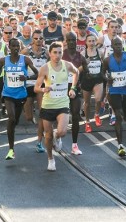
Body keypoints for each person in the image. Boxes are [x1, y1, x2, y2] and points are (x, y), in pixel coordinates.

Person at [34, 42, 80, 171]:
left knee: (62, 131)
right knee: (47, 136)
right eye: (55, 52)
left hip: (62, 103)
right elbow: (36, 87)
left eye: (60, 52)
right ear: (50, 53)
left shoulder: (67, 65)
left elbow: (77, 73)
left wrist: (73, 88)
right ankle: (50, 159)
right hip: (48, 105)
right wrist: (43, 89)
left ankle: (57, 136)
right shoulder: (45, 68)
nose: (58, 55)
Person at [0, 38, 37, 160]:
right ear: (9, 47)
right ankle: (11, 149)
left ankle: (12, 128)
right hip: (8, 94)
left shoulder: (25, 59)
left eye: (17, 46)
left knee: (15, 121)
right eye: (13, 46)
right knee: (11, 118)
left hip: (21, 95)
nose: (16, 48)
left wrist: (27, 77)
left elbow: (37, 73)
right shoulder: (4, 60)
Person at [102, 36, 126, 157]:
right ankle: (120, 145)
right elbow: (102, 73)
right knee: (118, 116)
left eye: (120, 44)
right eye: (116, 44)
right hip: (114, 90)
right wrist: (107, 79)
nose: (118, 46)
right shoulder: (107, 60)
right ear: (112, 46)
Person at [21, 29, 48, 153]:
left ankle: (39, 140)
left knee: (42, 111)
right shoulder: (26, 51)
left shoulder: (47, 53)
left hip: (40, 85)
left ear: (43, 40)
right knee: (28, 116)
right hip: (28, 84)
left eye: (40, 38)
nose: (38, 40)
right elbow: (19, 65)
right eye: (36, 38)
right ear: (32, 39)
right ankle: (31, 117)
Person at [62, 33, 88, 155]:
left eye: (74, 40)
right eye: (69, 40)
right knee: (59, 115)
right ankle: (56, 137)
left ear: (76, 41)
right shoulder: (60, 54)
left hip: (74, 89)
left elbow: (86, 72)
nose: (72, 42)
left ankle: (74, 145)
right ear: (66, 41)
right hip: (61, 89)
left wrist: (80, 85)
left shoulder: (80, 57)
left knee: (76, 115)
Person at [82, 34, 104, 134]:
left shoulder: (100, 52)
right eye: (89, 41)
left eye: (93, 41)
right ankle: (87, 122)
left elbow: (104, 65)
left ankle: (96, 114)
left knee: (98, 100)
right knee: (87, 103)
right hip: (86, 80)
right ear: (86, 43)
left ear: (96, 42)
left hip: (98, 79)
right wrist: (84, 64)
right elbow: (78, 70)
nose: (91, 43)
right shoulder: (83, 53)